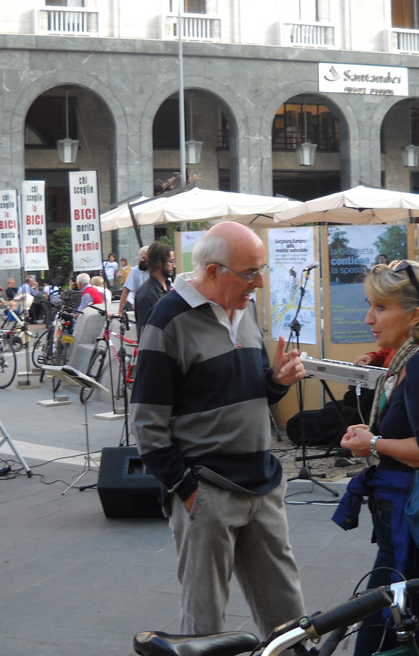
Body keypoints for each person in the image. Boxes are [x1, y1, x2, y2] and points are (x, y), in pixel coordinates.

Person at [131, 221, 306, 637]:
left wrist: (276, 382)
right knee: (204, 622)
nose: (259, 283)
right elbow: (147, 422)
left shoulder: (244, 308)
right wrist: (189, 491)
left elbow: (252, 394)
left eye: (261, 270)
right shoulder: (167, 319)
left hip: (262, 484)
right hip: (207, 491)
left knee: (289, 615)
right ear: (213, 272)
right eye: (250, 273)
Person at [335, 259, 419, 655]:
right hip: (408, 524)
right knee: (412, 634)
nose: (368, 318)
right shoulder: (417, 360)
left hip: (411, 529)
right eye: (369, 305)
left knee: (378, 640)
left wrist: (372, 444)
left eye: (379, 307)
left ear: (415, 315)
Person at [134, 242, 175, 338]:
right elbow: (145, 333)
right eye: (171, 261)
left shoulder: (168, 286)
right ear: (160, 264)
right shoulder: (147, 294)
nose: (174, 266)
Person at [118, 245, 150, 312]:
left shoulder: (157, 270)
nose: (145, 261)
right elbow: (126, 291)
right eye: (143, 258)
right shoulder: (135, 270)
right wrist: (120, 311)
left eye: (147, 258)